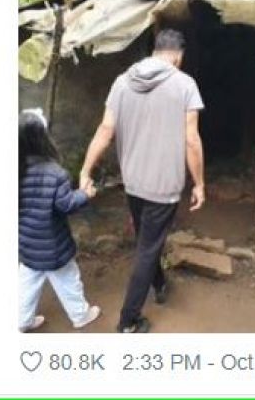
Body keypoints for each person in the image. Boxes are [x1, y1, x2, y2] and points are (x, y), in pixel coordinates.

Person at [79, 29, 205, 333]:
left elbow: (105, 130)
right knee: (148, 248)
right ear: (177, 54)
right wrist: (199, 183)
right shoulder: (185, 83)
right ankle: (128, 320)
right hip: (164, 185)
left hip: (133, 181)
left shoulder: (122, 82)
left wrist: (85, 170)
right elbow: (191, 140)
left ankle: (159, 284)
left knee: (148, 241)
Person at [18, 108, 102, 331]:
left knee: (27, 284)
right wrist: (85, 194)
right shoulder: (55, 173)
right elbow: (65, 205)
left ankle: (22, 321)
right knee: (68, 280)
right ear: (43, 139)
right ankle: (80, 315)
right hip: (54, 245)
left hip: (27, 243)